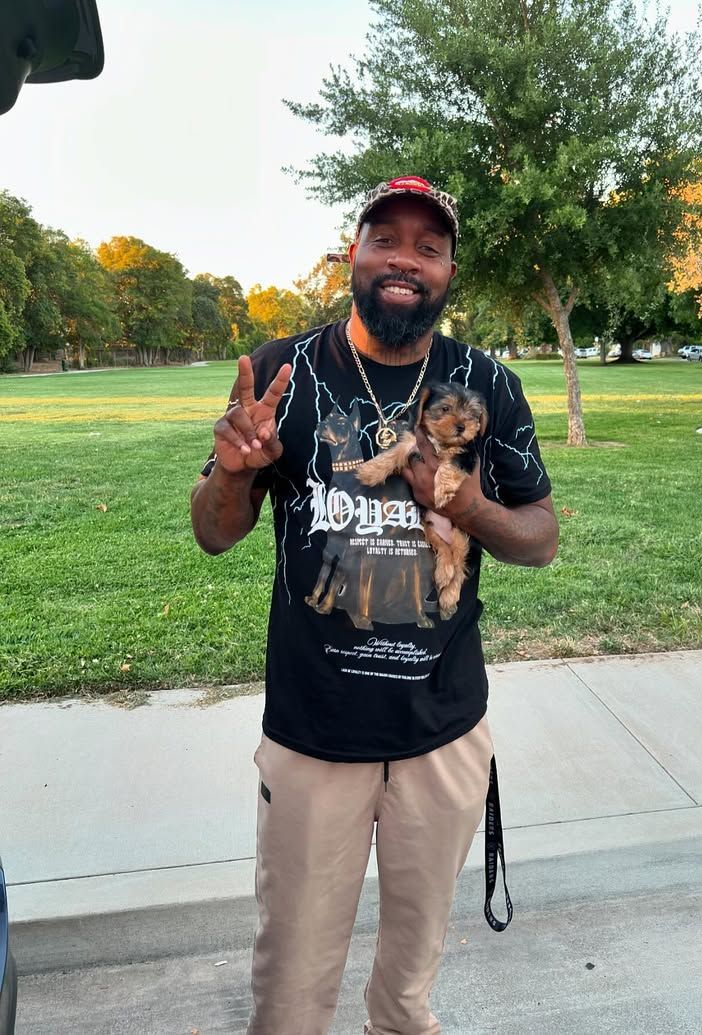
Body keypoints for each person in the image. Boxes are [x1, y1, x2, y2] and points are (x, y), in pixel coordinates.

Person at [190, 175, 558, 1035]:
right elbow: (214, 532)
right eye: (384, 238)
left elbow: (539, 536)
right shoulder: (286, 372)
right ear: (351, 253)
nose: (405, 260)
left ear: (449, 271)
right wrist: (236, 471)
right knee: (289, 997)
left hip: (442, 733)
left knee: (405, 995)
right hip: (316, 733)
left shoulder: (481, 385)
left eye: (428, 248)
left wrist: (464, 504)